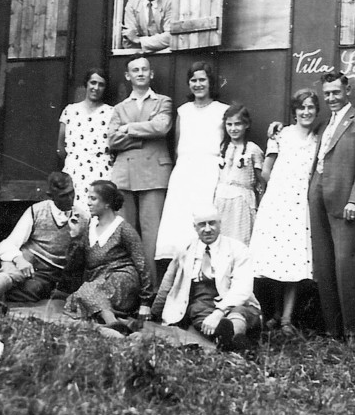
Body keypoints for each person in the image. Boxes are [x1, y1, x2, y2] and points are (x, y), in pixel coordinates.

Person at [308, 71, 355, 346]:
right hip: (317, 194)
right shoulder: (324, 124)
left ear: (347, 90)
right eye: (327, 94)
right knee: (323, 263)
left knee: (345, 264)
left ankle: (352, 331)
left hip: (344, 199)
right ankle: (333, 330)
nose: (331, 98)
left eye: (336, 92)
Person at [251, 89, 322, 335]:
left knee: (293, 262)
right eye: (302, 107)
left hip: (301, 205)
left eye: (311, 107)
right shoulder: (281, 135)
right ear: (294, 111)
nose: (306, 112)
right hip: (278, 203)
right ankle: (275, 313)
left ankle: (287, 318)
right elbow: (266, 170)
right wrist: (280, 190)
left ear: (316, 111)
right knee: (275, 259)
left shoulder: (318, 138)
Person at [150, 203, 262, 351]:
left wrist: (219, 312)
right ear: (194, 227)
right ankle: (232, 342)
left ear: (220, 223)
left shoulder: (237, 249)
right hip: (202, 303)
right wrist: (154, 313)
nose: (208, 229)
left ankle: (232, 336)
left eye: (212, 223)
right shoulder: (185, 250)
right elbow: (168, 282)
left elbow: (242, 288)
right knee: (199, 312)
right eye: (202, 224)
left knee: (238, 313)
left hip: (235, 300)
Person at [154, 62, 227, 272]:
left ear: (210, 82)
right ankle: (178, 273)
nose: (198, 84)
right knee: (180, 222)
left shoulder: (222, 110)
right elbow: (178, 146)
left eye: (202, 79)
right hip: (185, 172)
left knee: (204, 218)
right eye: (193, 80)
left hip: (209, 171)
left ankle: (204, 273)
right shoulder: (183, 111)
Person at [107, 54, 173, 286]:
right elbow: (112, 140)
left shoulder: (163, 101)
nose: (141, 73)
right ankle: (126, 287)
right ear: (128, 76)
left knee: (151, 234)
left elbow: (161, 127)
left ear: (151, 73)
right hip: (124, 175)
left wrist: (128, 129)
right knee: (124, 233)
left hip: (154, 174)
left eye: (144, 69)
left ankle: (150, 289)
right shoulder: (119, 108)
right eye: (135, 70)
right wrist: (144, 135)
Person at [0, 171, 88, 311]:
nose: (70, 199)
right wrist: (19, 260)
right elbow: (7, 244)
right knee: (12, 274)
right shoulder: (36, 211)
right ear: (51, 196)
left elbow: (82, 258)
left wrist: (76, 236)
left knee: (33, 290)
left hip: (49, 274)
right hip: (26, 263)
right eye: (63, 196)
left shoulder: (82, 218)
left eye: (71, 193)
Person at [63, 180, 154, 334]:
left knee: (89, 291)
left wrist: (145, 302)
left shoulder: (123, 229)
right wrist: (75, 236)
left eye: (93, 198)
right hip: (98, 282)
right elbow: (74, 263)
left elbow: (142, 263)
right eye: (88, 198)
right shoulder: (89, 228)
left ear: (107, 203)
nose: (88, 203)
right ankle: (119, 323)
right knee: (80, 295)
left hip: (122, 279)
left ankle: (111, 322)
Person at [57, 68, 114, 201]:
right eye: (93, 83)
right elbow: (60, 146)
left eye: (101, 84)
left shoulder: (111, 112)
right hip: (74, 171)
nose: (96, 88)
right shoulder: (70, 111)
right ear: (86, 84)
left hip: (101, 172)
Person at [213, 104, 264, 246]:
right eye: (229, 124)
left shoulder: (253, 149)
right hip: (221, 200)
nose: (233, 128)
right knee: (221, 241)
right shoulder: (222, 148)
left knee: (240, 240)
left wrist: (260, 204)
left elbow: (261, 181)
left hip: (242, 202)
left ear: (246, 125)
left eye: (238, 124)